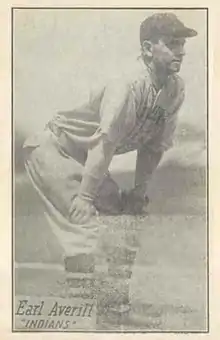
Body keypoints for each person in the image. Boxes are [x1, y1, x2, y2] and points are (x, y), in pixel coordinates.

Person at [23, 12, 197, 326]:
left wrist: (138, 194)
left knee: (126, 222)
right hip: (54, 149)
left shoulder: (174, 89)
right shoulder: (126, 85)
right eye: (172, 43)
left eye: (182, 44)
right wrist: (86, 197)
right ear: (147, 49)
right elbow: (102, 144)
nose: (181, 51)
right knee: (84, 223)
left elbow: (153, 147)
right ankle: (78, 317)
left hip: (86, 157)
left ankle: (113, 309)